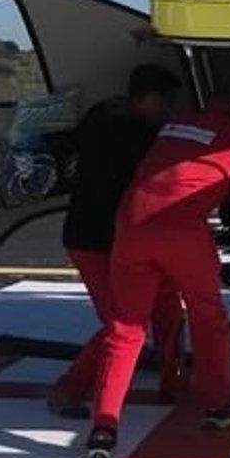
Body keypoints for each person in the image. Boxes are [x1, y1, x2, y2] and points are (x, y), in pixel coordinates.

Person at [84, 89, 230, 458]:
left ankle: (103, 427)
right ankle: (217, 404)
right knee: (207, 317)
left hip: (130, 225)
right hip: (182, 233)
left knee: (125, 329)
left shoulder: (177, 125)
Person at [47, 64, 186, 419]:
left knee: (161, 309)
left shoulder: (101, 114)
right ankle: (69, 390)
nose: (170, 110)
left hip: (97, 236)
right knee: (123, 325)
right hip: (101, 241)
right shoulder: (140, 136)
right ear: (151, 98)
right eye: (167, 102)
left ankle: (173, 382)